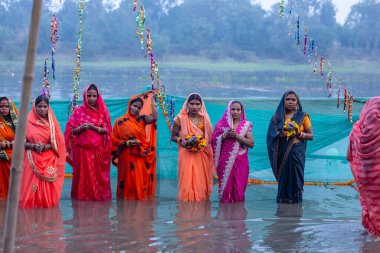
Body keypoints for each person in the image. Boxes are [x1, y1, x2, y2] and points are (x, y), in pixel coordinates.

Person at [65, 84, 112, 201]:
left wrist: (92, 127)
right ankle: (81, 200)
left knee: (97, 176)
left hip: (98, 151)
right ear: (85, 96)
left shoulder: (102, 112)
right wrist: (81, 128)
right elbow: (71, 131)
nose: (91, 99)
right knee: (82, 176)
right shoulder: (78, 111)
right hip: (81, 151)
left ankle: (97, 199)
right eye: (89, 96)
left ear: (98, 96)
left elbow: (107, 131)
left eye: (94, 96)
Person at [19, 95, 66, 208]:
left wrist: (45, 147)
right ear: (34, 107)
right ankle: (30, 213)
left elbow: (58, 143)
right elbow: (20, 142)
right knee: (31, 188)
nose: (42, 109)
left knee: (49, 187)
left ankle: (47, 212)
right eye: (39, 106)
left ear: (48, 108)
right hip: (31, 159)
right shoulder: (26, 122)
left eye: (45, 106)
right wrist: (34, 146)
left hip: (49, 159)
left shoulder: (52, 123)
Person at [267, 91, 313, 203]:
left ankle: (296, 204)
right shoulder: (276, 118)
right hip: (282, 154)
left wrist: (298, 134)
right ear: (283, 101)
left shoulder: (303, 116)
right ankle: (283, 204)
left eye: (293, 100)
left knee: (296, 177)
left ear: (297, 102)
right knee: (284, 178)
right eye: (287, 99)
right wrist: (283, 132)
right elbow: (271, 136)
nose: (290, 102)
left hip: (297, 152)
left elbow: (310, 135)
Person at [111, 91, 158, 200]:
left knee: (138, 179)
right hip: (125, 156)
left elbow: (154, 117)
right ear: (130, 105)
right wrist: (127, 143)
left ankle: (138, 200)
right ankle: (124, 205)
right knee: (126, 179)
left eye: (139, 108)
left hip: (139, 156)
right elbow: (114, 140)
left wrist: (153, 101)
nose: (136, 109)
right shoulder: (120, 122)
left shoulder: (142, 119)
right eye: (134, 106)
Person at [171, 93, 214, 201]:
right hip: (186, 153)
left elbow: (209, 139)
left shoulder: (205, 120)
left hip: (201, 154)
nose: (195, 107)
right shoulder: (179, 119)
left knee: (200, 180)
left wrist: (199, 142)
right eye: (192, 104)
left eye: (197, 104)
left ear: (201, 105)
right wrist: (182, 140)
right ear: (187, 104)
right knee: (187, 181)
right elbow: (173, 137)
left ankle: (200, 207)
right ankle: (186, 208)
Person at [347, 97, 380, 237]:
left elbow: (349, 155)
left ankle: (372, 229)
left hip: (365, 176)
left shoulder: (357, 130)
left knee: (369, 202)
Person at [212, 101, 254, 203]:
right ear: (228, 110)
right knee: (224, 190)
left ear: (241, 111)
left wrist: (237, 137)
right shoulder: (221, 124)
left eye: (238, 109)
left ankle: (238, 215)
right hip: (225, 162)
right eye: (233, 109)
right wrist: (224, 136)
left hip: (241, 160)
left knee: (239, 188)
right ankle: (224, 215)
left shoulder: (246, 125)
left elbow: (251, 143)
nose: (235, 112)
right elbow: (213, 140)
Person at [0, 97, 18, 199]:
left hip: (15, 159)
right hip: (2, 159)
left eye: (6, 106)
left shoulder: (17, 124)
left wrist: (9, 144)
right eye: (1, 106)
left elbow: (24, 140)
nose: (4, 108)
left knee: (15, 189)